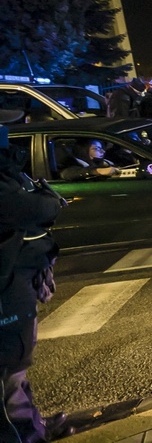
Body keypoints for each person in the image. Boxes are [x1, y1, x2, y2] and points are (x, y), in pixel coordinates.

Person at [0, 109, 71, 443]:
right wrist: (47, 200)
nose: (13, 132)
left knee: (16, 365)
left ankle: (33, 426)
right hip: (5, 289)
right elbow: (36, 208)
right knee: (8, 371)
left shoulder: (6, 172)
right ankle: (23, 434)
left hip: (17, 281)